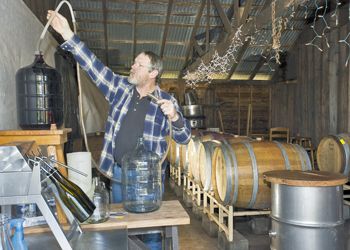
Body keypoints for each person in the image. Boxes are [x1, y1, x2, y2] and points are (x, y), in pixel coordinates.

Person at [47, 10, 191, 249]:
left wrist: (174, 116)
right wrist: (67, 34)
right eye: (134, 62)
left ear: (153, 73)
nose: (132, 66)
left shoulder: (166, 101)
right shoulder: (119, 88)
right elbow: (92, 65)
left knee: (150, 230)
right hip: (117, 173)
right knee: (120, 228)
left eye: (139, 64)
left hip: (147, 178)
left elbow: (185, 138)